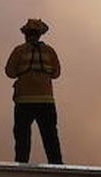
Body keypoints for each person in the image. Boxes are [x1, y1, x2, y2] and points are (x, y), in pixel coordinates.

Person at [4, 18, 62, 164]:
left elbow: (9, 72)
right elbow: (56, 73)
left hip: (24, 101)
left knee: (22, 138)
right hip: (46, 100)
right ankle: (57, 167)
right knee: (50, 137)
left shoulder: (19, 51)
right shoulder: (49, 51)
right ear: (40, 34)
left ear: (26, 34)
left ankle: (21, 167)